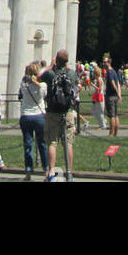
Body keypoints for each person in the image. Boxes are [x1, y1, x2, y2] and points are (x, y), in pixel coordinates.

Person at [40, 49, 79, 182]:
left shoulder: (50, 74)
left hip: (52, 111)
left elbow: (39, 76)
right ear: (67, 61)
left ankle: (51, 172)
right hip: (67, 111)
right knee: (68, 143)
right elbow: (75, 89)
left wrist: (50, 66)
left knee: (52, 142)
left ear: (56, 59)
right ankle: (69, 173)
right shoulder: (72, 74)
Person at [18, 62, 48, 181]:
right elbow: (43, 95)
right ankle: (46, 171)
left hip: (26, 115)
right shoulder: (43, 85)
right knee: (42, 144)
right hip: (39, 116)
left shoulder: (23, 85)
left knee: (28, 144)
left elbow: (25, 82)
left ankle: (28, 172)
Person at [103, 54, 122, 137]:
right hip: (115, 96)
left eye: (105, 62)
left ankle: (111, 133)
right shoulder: (114, 71)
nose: (104, 63)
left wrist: (118, 93)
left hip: (110, 96)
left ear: (109, 62)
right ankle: (116, 133)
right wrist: (119, 94)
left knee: (111, 116)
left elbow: (113, 83)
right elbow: (118, 83)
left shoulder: (110, 72)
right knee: (115, 115)